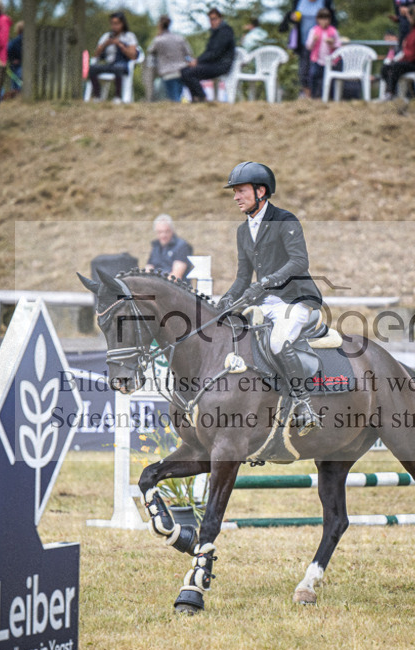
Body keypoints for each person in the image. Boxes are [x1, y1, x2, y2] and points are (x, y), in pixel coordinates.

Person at [218, 162, 323, 437]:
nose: (235, 197)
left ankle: (304, 403)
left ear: (260, 191)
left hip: (296, 300)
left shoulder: (285, 221)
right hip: (267, 303)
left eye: (240, 191)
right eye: (235, 192)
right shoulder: (243, 231)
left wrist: (264, 283)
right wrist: (226, 299)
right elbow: (243, 277)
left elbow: (300, 261)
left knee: (278, 342)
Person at [179, 8, 236, 103]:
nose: (212, 22)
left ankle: (202, 98)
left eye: (214, 19)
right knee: (184, 71)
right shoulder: (216, 32)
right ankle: (195, 98)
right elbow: (209, 52)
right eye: (210, 19)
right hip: (213, 64)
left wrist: (198, 61)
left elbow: (215, 53)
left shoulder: (225, 31)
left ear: (220, 18)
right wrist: (197, 61)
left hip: (221, 65)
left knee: (189, 73)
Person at [280, 0, 334, 99]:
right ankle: (307, 94)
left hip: (322, 45)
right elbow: (291, 19)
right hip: (304, 43)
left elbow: (332, 20)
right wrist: (293, 18)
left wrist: (332, 39)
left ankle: (319, 95)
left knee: (319, 71)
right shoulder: (298, 2)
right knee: (304, 69)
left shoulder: (325, 2)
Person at [380, 4, 415, 101]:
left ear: (411, 17)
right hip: (409, 60)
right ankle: (392, 93)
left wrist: (401, 58)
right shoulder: (413, 31)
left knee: (395, 67)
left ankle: (390, 93)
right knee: (385, 68)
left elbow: (414, 54)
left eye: (407, 17)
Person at [87, 12, 139, 101]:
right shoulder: (107, 36)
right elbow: (96, 55)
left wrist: (121, 45)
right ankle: (97, 96)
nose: (114, 26)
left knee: (118, 68)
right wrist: (105, 44)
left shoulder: (129, 36)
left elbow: (133, 56)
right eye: (112, 24)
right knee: (92, 68)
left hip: (122, 64)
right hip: (109, 64)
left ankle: (117, 97)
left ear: (122, 24)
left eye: (116, 24)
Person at [149, 15, 193, 103]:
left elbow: (150, 51)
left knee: (174, 98)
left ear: (160, 25)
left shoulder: (158, 40)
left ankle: (179, 114)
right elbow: (189, 54)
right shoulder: (180, 38)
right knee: (179, 95)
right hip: (182, 71)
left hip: (168, 73)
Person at [304, 8, 339, 99]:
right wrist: (313, 41)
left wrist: (332, 43)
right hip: (317, 59)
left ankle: (329, 97)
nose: (324, 21)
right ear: (318, 20)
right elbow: (308, 46)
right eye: (322, 19)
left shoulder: (333, 31)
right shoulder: (314, 31)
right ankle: (314, 96)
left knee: (328, 79)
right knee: (314, 77)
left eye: (326, 19)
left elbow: (338, 45)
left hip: (330, 60)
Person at [145, 215, 193, 279]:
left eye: (166, 231)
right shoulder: (156, 247)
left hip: (174, 287)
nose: (163, 235)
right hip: (154, 285)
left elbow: (175, 276)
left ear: (172, 231)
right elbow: (147, 271)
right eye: (160, 232)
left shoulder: (182, 246)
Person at [3, 20, 23, 99]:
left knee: (16, 84)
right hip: (22, 65)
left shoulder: (15, 40)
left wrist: (11, 59)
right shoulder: (29, 39)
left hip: (16, 65)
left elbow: (8, 49)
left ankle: (15, 96)